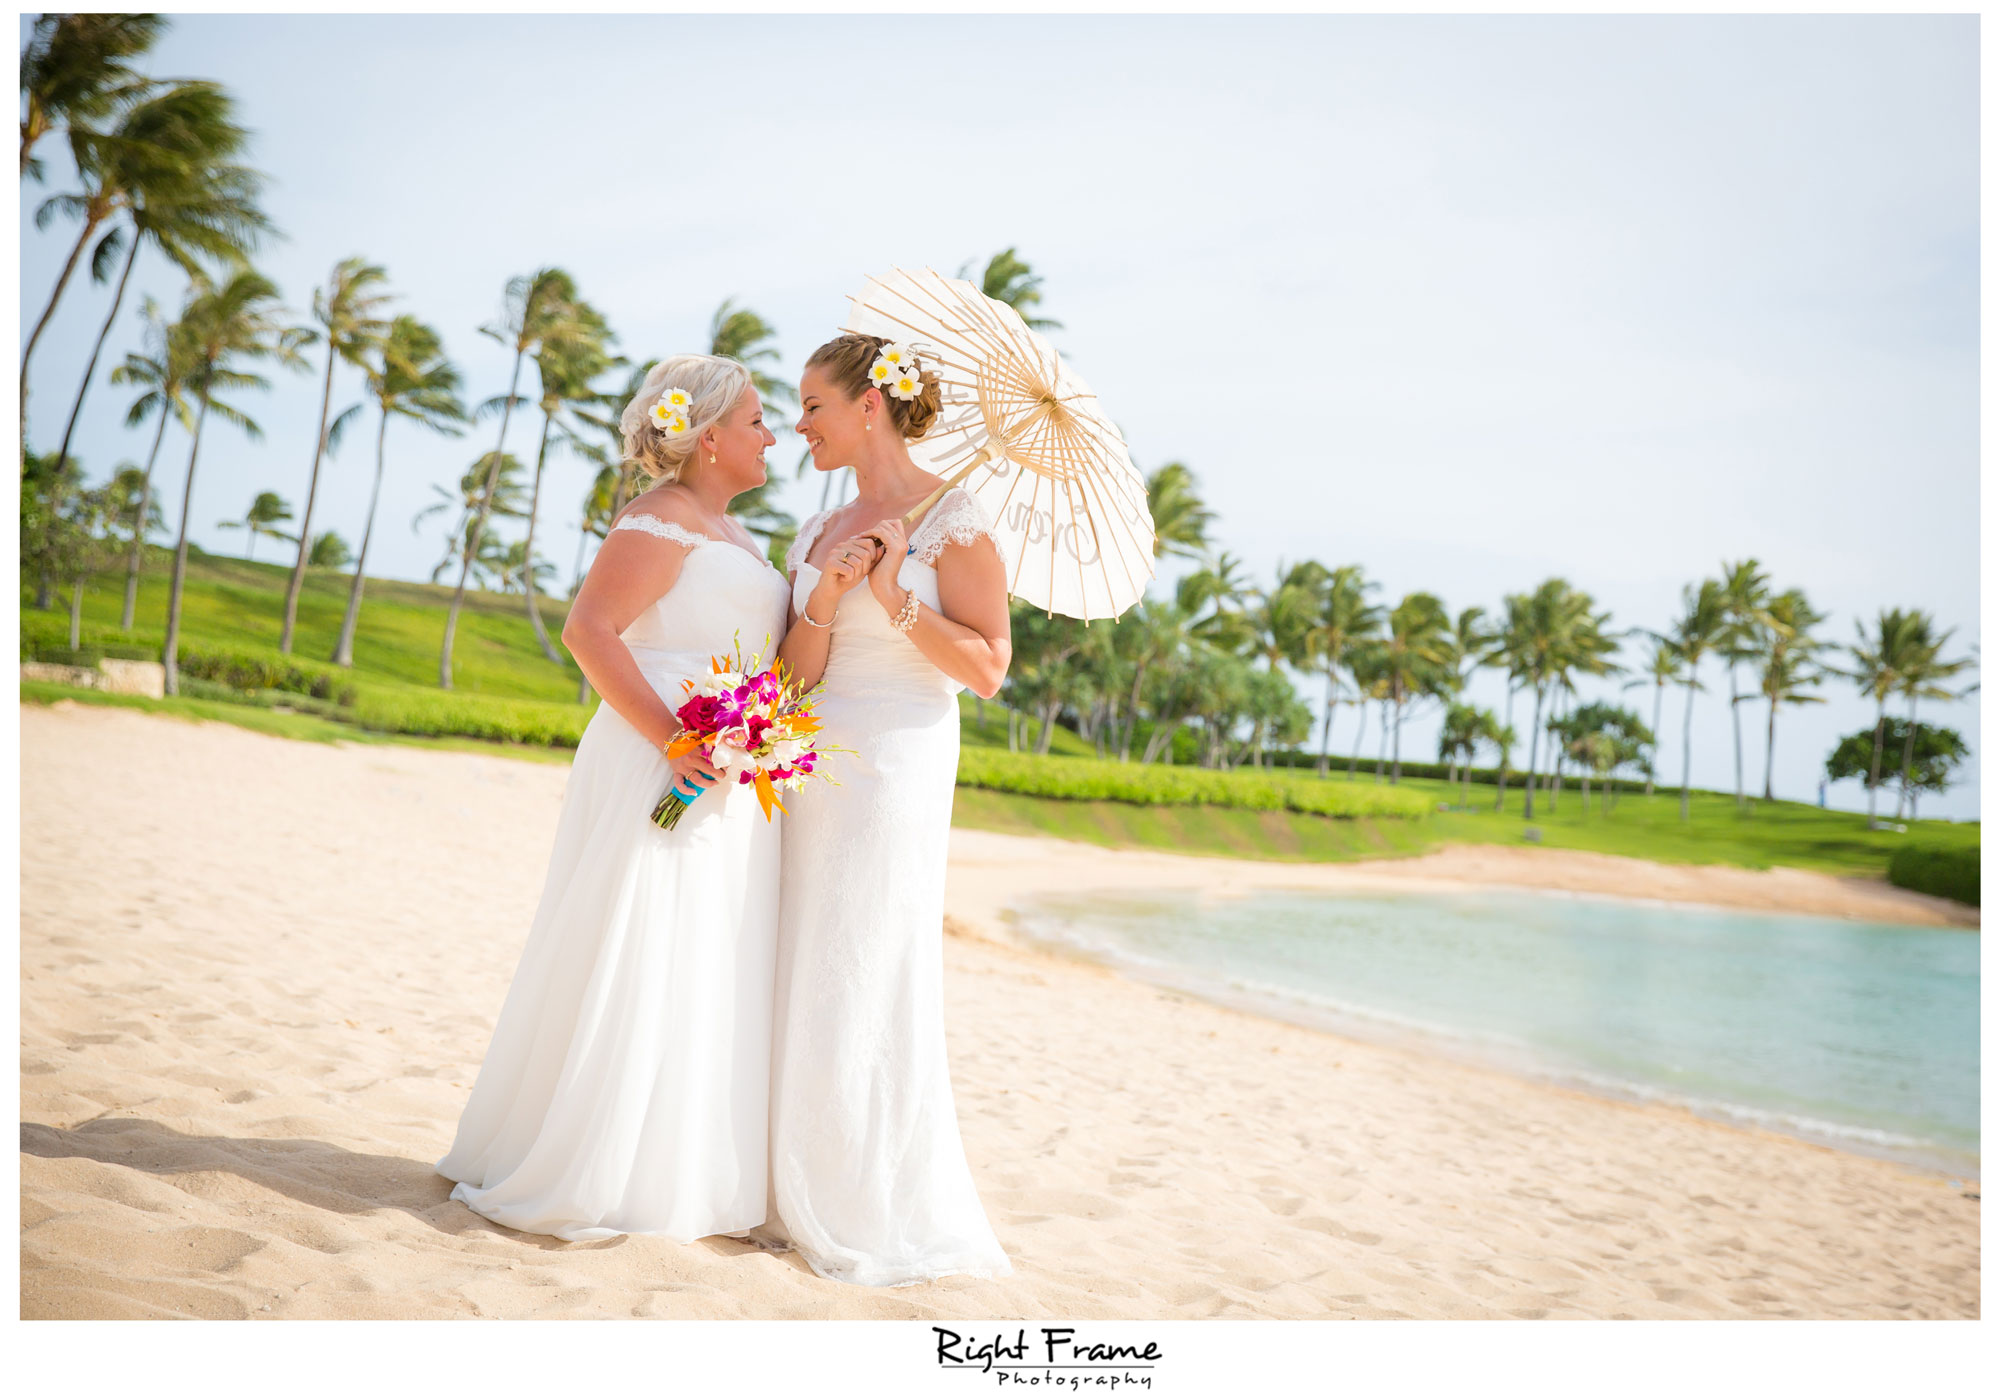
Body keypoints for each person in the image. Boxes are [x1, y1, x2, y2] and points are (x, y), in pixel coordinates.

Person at [436, 355, 789, 1242]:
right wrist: (679, 741)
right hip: (659, 753)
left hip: (726, 764)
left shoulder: (739, 536)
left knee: (700, 955)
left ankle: (669, 1170)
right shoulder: (658, 520)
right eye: (755, 421)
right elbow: (589, 632)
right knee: (641, 942)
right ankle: (597, 1168)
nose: (771, 435)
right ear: (709, 438)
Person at [755, 333, 1015, 1286]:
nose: (798, 424)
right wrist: (827, 595)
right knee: (795, 950)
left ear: (870, 406)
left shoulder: (958, 519)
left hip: (895, 760)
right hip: (810, 754)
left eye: (812, 405)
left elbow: (988, 669)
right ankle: (780, 1185)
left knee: (858, 956)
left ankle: (855, 1197)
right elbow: (800, 668)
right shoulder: (820, 523)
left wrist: (892, 594)